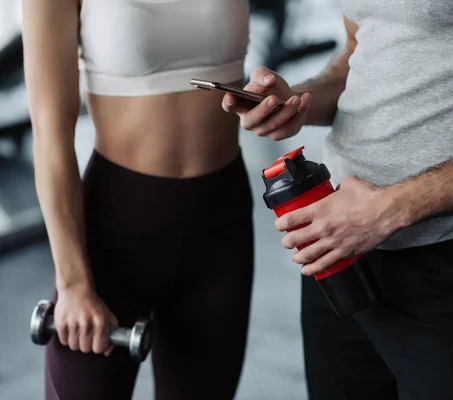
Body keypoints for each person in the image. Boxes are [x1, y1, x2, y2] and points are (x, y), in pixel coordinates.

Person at [224, 1, 453, 399]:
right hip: (335, 241)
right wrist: (298, 102)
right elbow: (363, 50)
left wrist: (389, 209)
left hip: (450, 256)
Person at [22, 0, 278, 399]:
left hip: (219, 225)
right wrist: (72, 283)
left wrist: (273, 101)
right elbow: (49, 136)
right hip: (115, 230)